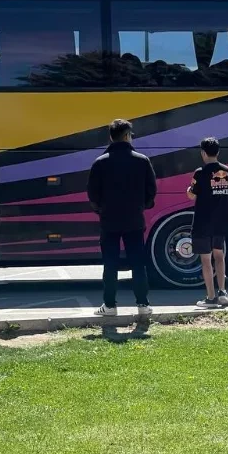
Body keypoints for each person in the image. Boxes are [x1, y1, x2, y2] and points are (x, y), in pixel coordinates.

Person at [87, 119, 157, 317]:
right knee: (137, 263)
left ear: (111, 136)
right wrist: (142, 206)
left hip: (109, 220)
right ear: (127, 135)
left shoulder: (100, 162)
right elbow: (151, 191)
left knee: (110, 264)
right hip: (134, 219)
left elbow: (93, 194)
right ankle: (143, 304)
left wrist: (102, 210)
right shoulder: (142, 160)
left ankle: (109, 305)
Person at [187, 137, 228, 309]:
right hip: (221, 221)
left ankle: (211, 297)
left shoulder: (200, 172)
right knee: (219, 256)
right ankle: (223, 292)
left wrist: (189, 190)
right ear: (218, 152)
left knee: (206, 260)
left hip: (203, 221)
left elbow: (192, 194)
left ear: (203, 153)